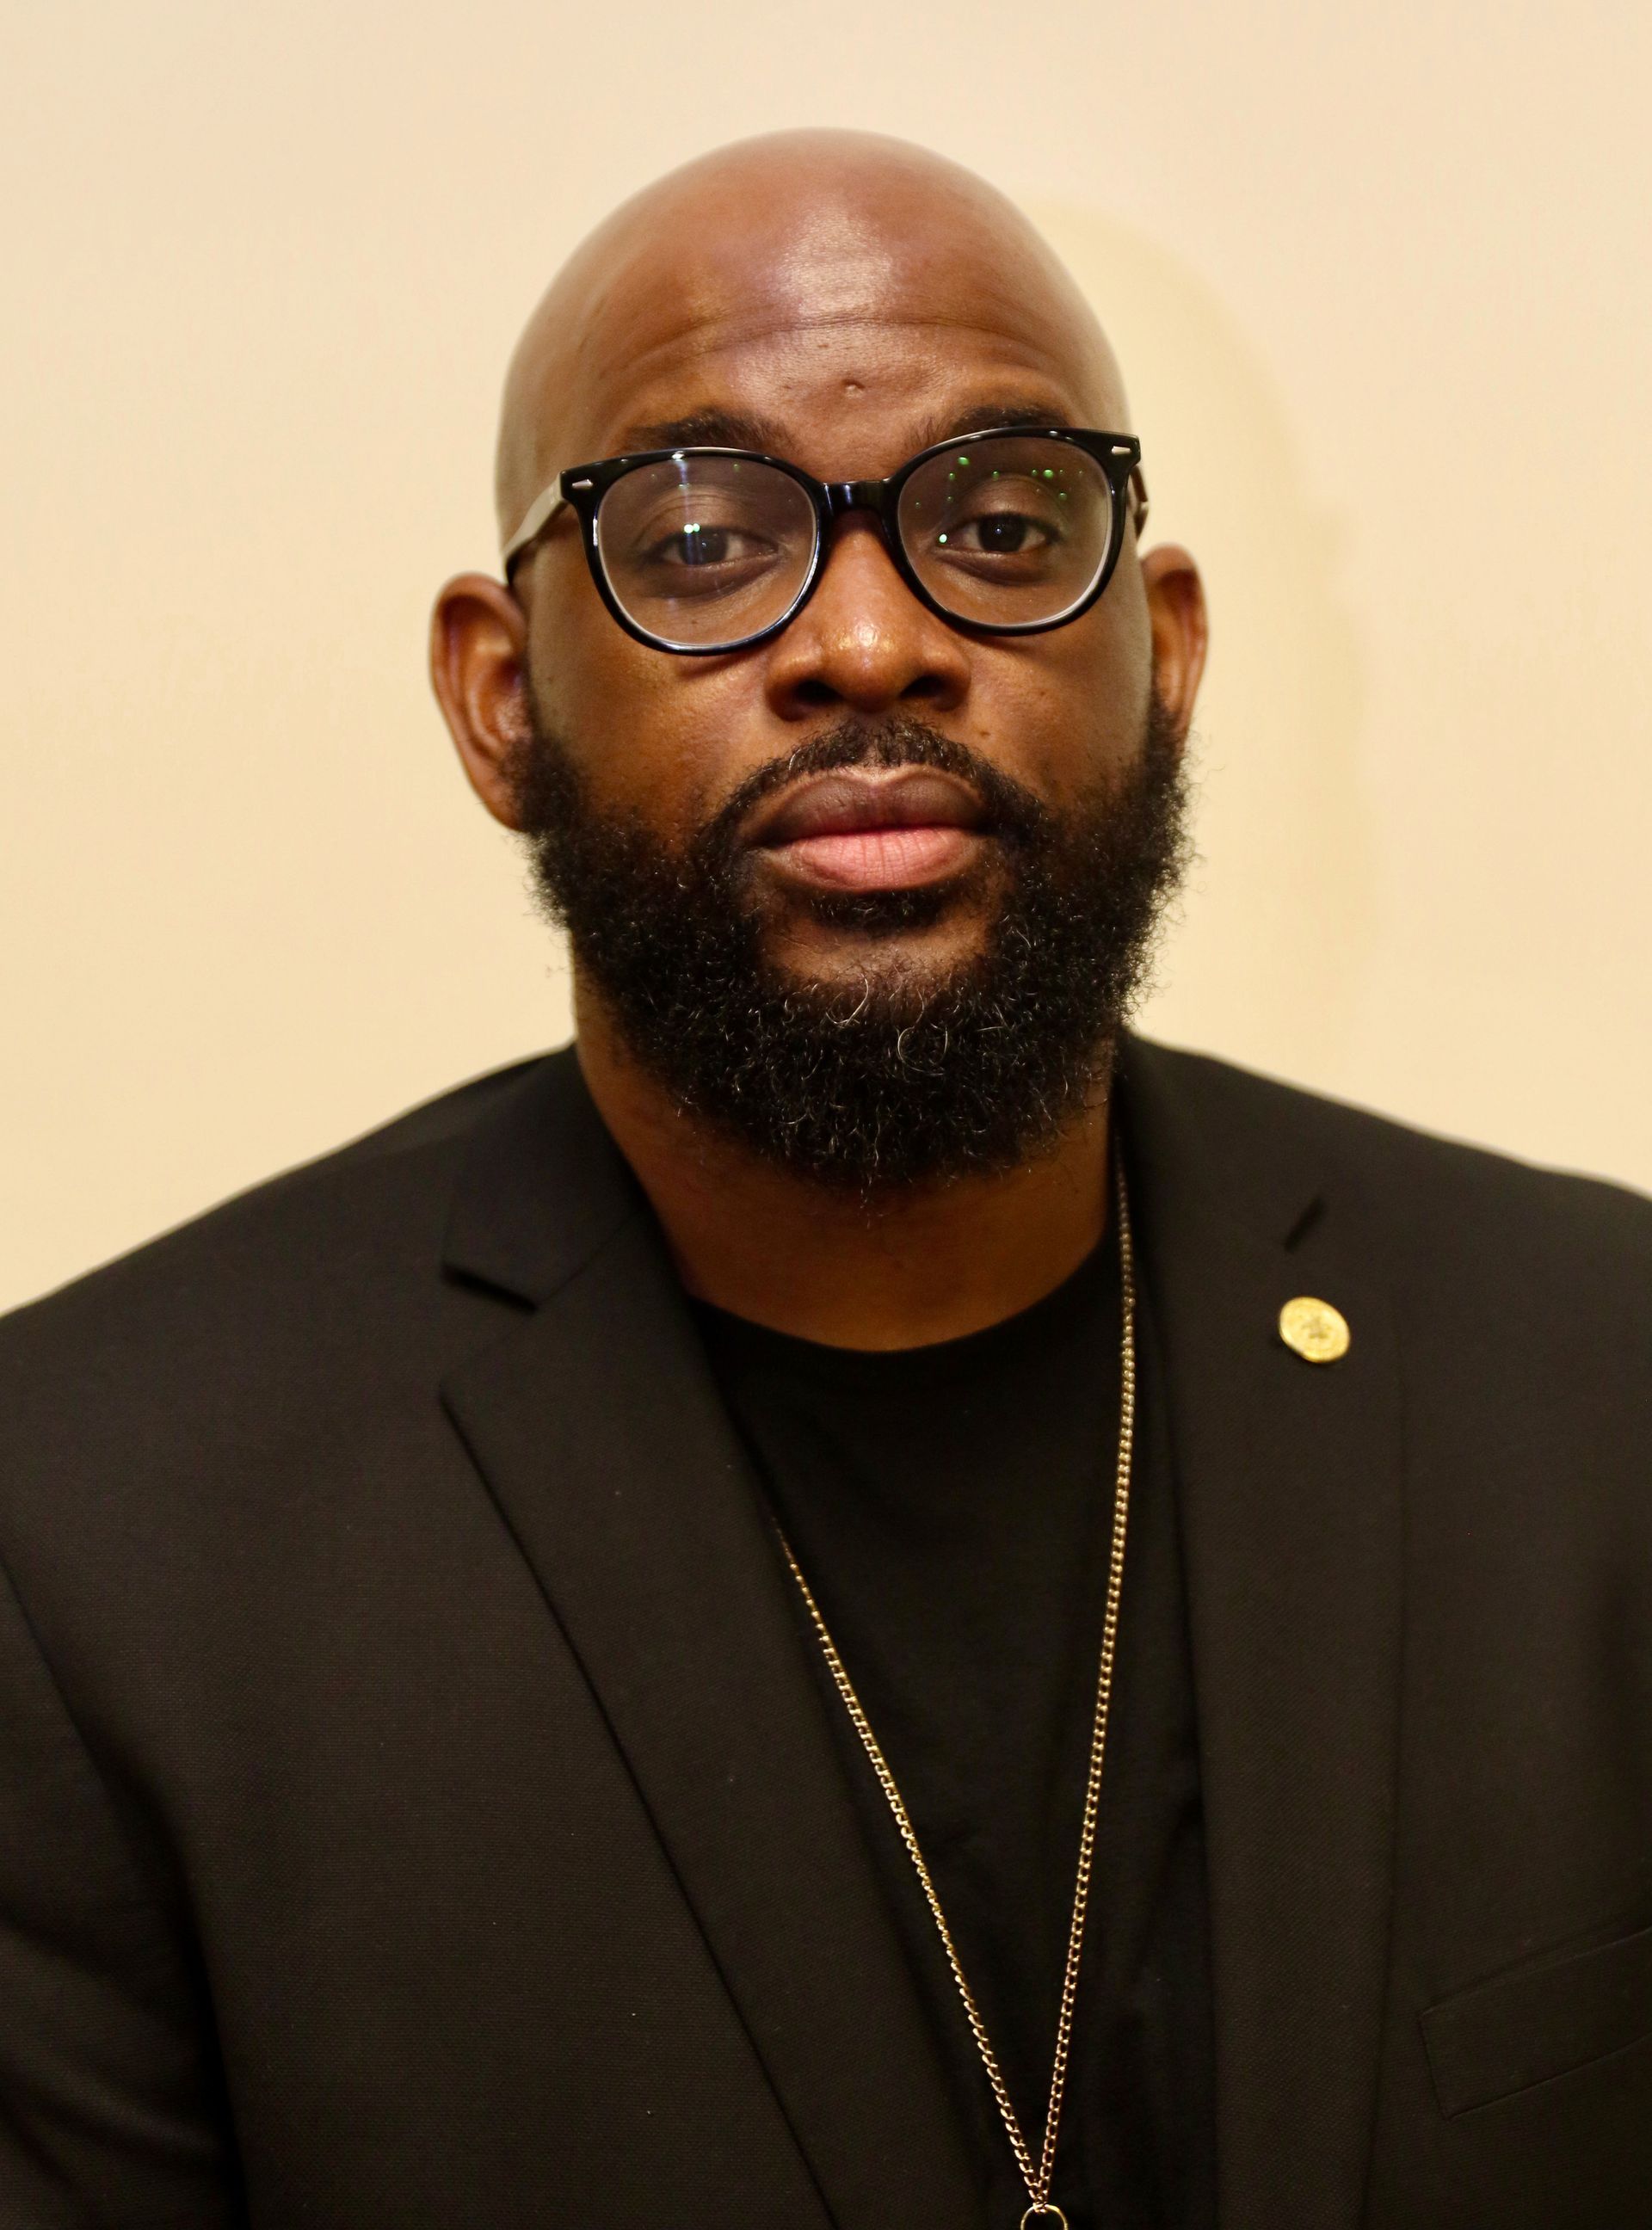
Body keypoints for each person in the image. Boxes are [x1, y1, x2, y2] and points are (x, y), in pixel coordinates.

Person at [0, 127, 1647, 2230]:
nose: (870, 644)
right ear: (501, 699)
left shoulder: (1601, 1380)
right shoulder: (89, 1547)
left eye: (1001, 522)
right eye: (700, 539)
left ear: (1165, 656)